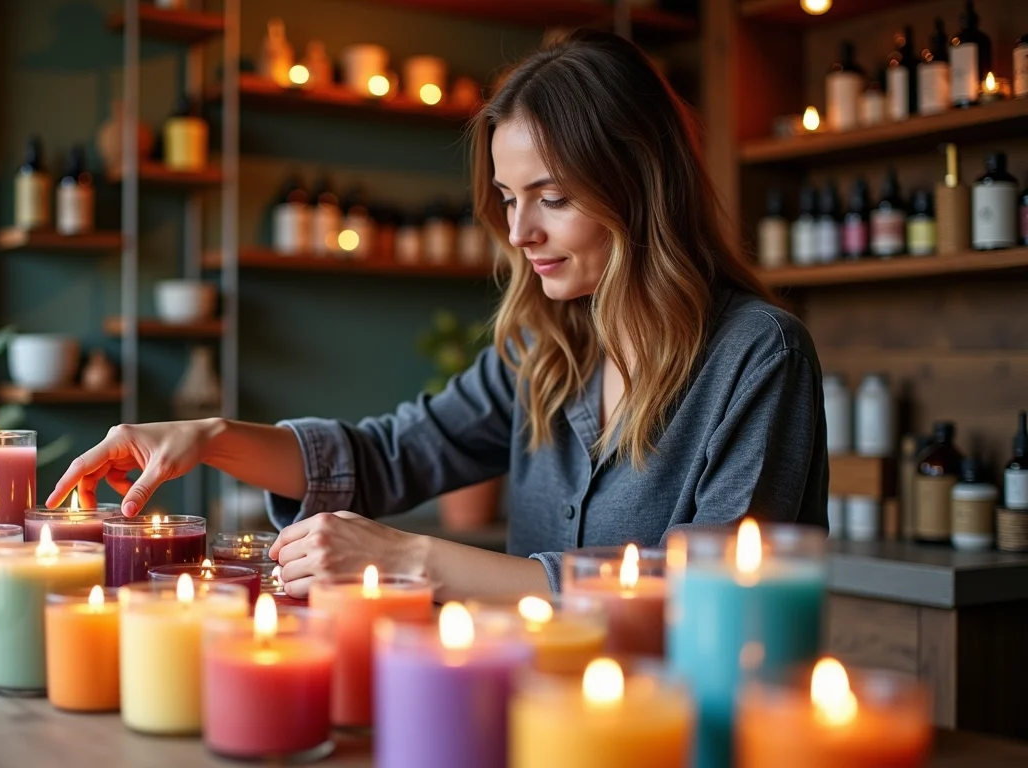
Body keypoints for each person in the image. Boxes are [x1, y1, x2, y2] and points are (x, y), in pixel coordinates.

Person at [49, 30, 828, 602]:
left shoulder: (757, 356)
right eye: (511, 199)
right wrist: (213, 440)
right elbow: (389, 456)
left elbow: (706, 598)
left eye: (552, 198)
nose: (521, 233)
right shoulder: (544, 347)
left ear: (642, 186)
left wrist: (410, 559)